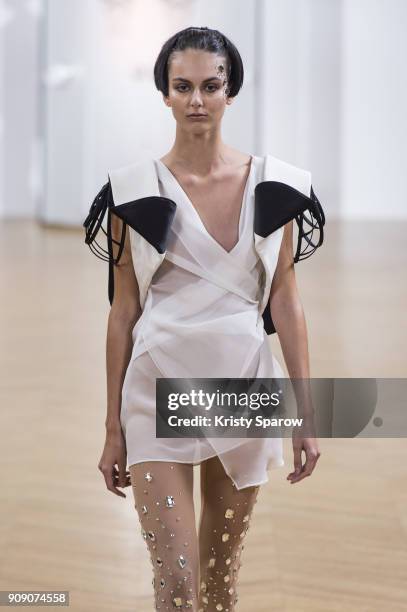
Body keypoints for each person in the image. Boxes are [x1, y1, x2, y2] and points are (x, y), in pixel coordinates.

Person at [84, 26, 324, 612]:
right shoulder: (133, 192)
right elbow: (123, 312)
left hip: (242, 385)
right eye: (182, 86)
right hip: (155, 385)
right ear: (165, 94)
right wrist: (113, 426)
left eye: (210, 85)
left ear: (230, 91)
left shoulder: (278, 186)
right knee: (177, 587)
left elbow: (287, 303)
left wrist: (306, 416)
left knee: (217, 589)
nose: (196, 99)